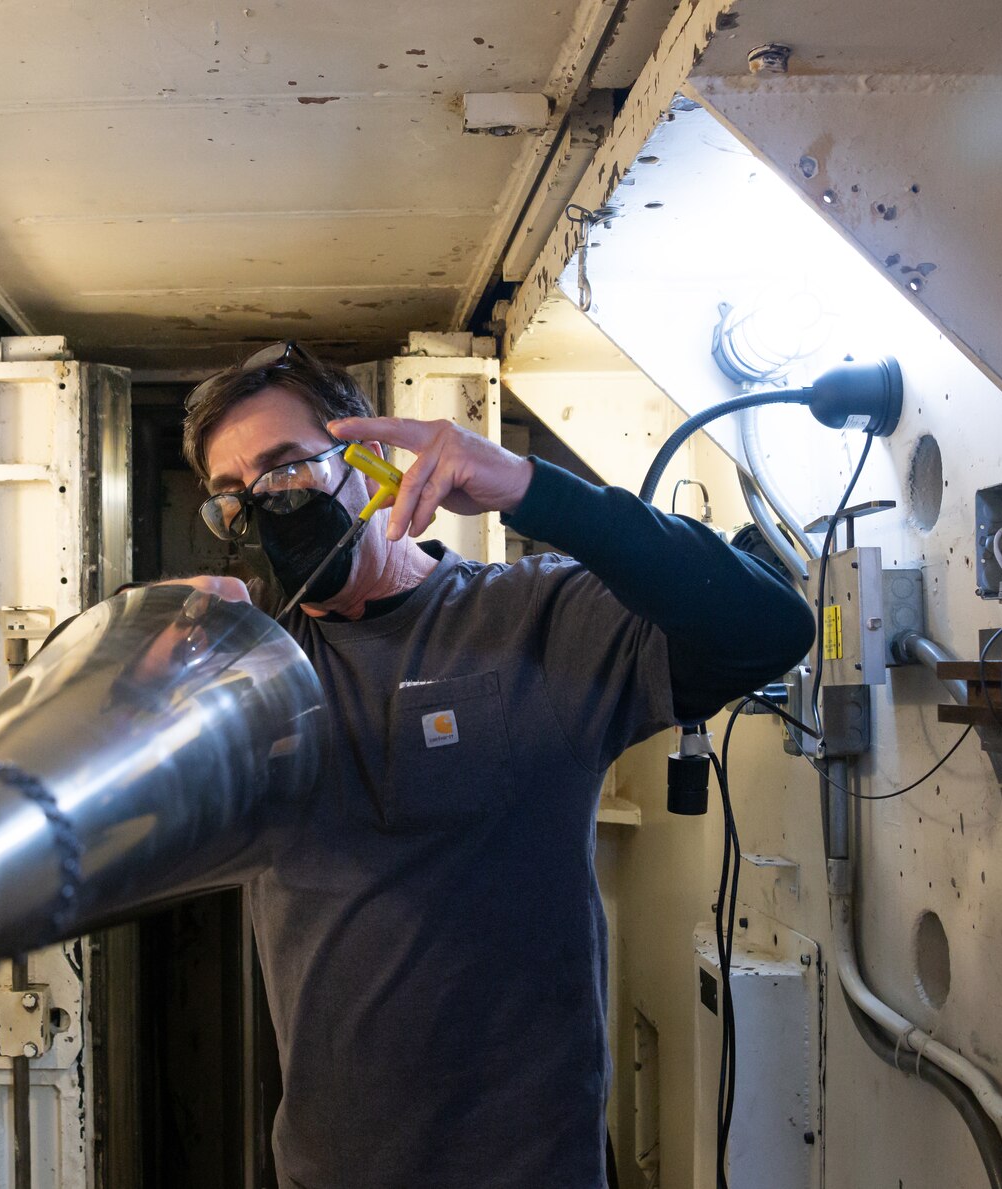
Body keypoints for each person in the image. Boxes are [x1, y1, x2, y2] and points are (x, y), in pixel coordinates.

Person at [173, 341, 814, 1189]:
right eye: (233, 498)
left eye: (287, 470)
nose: (262, 508)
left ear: (367, 466)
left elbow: (769, 628)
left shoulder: (529, 619)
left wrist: (531, 489)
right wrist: (165, 660)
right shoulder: (257, 668)